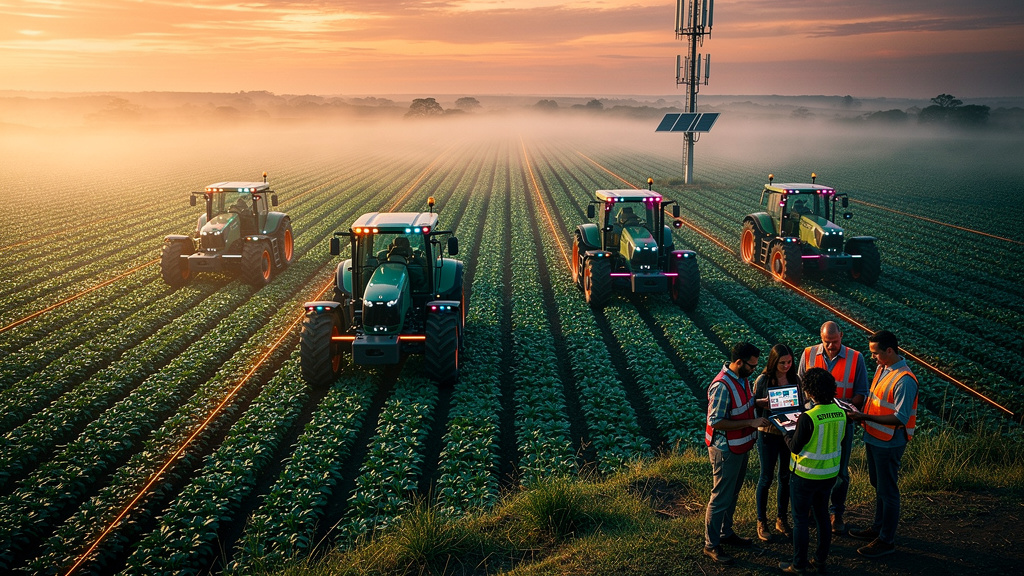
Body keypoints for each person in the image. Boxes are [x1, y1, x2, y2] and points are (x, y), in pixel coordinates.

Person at [846, 330, 918, 559]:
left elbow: (900, 418)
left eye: (875, 353)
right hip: (874, 436)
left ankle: (886, 540)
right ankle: (878, 528)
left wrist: (864, 417)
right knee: (878, 484)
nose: (873, 357)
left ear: (889, 350)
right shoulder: (883, 368)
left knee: (888, 490)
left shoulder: (904, 380)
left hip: (889, 442)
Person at [797, 321, 868, 535]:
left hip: (842, 423)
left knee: (841, 470)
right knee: (812, 465)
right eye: (827, 342)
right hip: (814, 422)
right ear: (821, 338)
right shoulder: (808, 354)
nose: (830, 346)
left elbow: (861, 393)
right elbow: (800, 386)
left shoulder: (856, 358)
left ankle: (837, 512)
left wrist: (846, 409)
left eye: (834, 341)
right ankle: (813, 509)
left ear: (841, 336)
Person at [703, 342, 768, 565]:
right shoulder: (722, 386)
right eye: (751, 366)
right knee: (721, 496)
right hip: (725, 449)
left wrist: (759, 402)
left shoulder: (742, 378)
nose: (754, 369)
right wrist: (751, 422)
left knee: (732, 493)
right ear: (739, 362)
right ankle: (711, 544)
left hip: (740, 445)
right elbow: (716, 421)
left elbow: (742, 404)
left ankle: (725, 532)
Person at [780, 367, 847, 574]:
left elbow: (794, 447)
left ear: (809, 391)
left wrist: (785, 432)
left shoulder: (808, 417)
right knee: (822, 516)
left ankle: (798, 565)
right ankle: (819, 560)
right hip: (829, 474)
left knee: (800, 520)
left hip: (805, 474)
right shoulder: (841, 413)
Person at [752, 344, 802, 542]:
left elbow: (800, 404)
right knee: (766, 478)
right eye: (782, 363)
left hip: (788, 433)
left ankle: (781, 518)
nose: (786, 366)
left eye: (789, 362)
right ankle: (761, 520)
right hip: (768, 433)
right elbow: (752, 404)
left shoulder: (795, 379)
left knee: (786, 477)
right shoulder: (763, 380)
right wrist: (761, 403)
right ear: (773, 362)